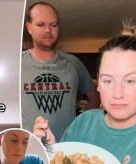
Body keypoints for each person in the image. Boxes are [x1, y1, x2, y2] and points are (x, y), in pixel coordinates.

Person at [34, 25, 136, 164]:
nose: (117, 93)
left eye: (130, 81)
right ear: (98, 82)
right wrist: (51, 152)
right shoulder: (82, 122)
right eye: (108, 80)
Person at [21, 1, 100, 142]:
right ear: (29, 27)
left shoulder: (74, 63)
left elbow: (93, 95)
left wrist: (87, 128)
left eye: (53, 25)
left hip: (68, 148)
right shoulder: (16, 64)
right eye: (41, 25)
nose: (48, 30)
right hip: (28, 148)